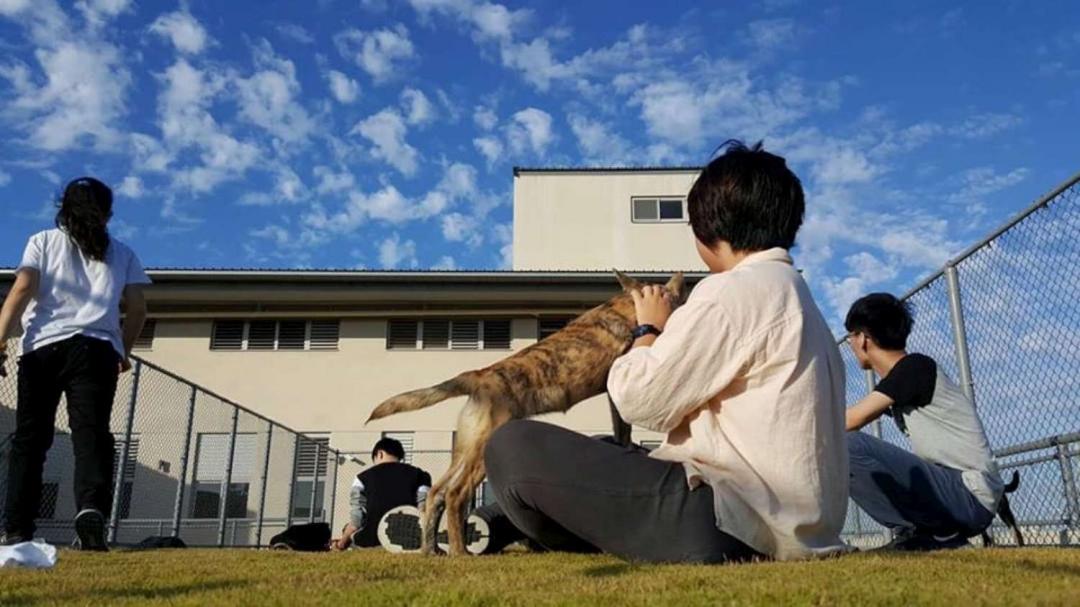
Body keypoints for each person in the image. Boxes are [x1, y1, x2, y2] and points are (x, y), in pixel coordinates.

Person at [480, 141, 850, 563]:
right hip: (797, 523)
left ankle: (513, 527)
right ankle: (489, 522)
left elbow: (639, 399)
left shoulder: (730, 292)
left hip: (727, 523)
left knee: (512, 445)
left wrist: (650, 327)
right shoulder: (802, 304)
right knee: (605, 445)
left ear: (706, 233)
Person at [0, 177, 150, 551]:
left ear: (62, 207)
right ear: (108, 213)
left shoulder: (43, 242)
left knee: (30, 439)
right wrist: (125, 350)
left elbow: (21, 289)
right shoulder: (123, 253)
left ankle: (17, 528)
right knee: (92, 434)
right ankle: (91, 510)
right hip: (98, 349)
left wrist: (0, 340)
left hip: (42, 348)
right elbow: (138, 309)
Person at [843, 293, 1003, 550]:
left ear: (863, 339)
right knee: (844, 445)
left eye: (850, 335)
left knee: (845, 444)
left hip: (969, 495)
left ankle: (931, 533)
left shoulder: (915, 367)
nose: (850, 343)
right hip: (955, 492)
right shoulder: (905, 380)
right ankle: (925, 536)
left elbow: (852, 419)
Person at [330, 437, 432, 551]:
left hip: (370, 540)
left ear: (380, 454)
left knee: (347, 528)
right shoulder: (421, 475)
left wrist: (341, 543)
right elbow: (424, 509)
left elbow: (357, 520)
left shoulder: (361, 478)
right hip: (411, 540)